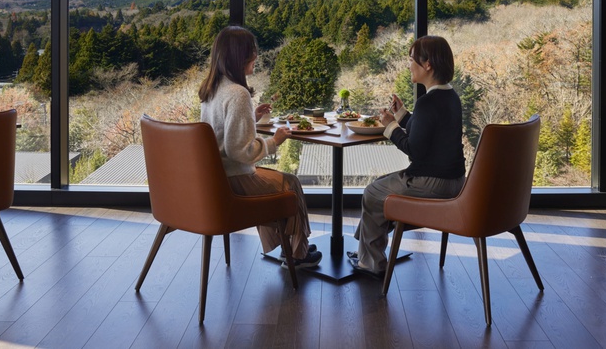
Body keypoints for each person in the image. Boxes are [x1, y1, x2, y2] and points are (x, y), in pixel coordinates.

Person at [199, 25, 322, 268]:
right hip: (235, 181)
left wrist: (251, 118)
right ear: (240, 56)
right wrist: (274, 142)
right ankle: (297, 253)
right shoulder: (238, 93)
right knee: (291, 184)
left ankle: (287, 245)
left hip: (217, 179)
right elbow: (239, 151)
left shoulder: (212, 90)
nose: (256, 56)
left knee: (281, 181)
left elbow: (223, 134)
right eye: (252, 52)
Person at [349, 35, 465, 278]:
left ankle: (371, 263)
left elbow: (415, 149)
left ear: (428, 65)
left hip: (431, 182)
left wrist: (390, 127)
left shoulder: (427, 102)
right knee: (380, 186)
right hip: (456, 181)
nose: (409, 65)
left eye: (412, 60)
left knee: (372, 192)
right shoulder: (450, 97)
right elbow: (426, 131)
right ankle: (367, 251)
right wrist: (402, 115)